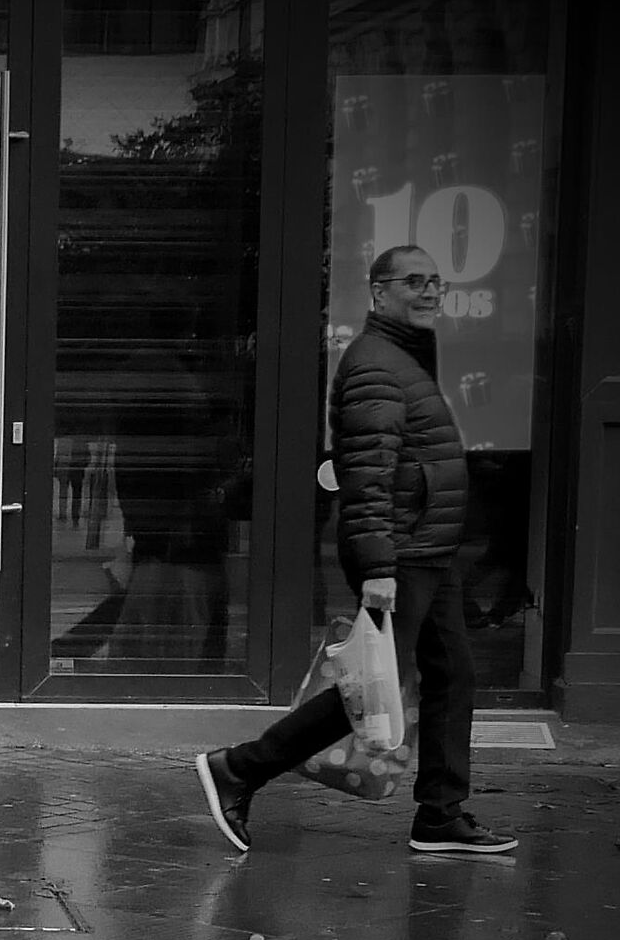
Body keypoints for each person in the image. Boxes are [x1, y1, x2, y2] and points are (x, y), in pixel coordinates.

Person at [193, 247, 513, 856]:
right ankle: (239, 767)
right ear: (378, 293)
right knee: (369, 692)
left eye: (436, 281)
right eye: (413, 281)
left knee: (452, 675)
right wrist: (378, 567)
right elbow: (367, 474)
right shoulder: (375, 364)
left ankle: (442, 815)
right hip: (404, 551)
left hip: (430, 546)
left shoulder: (403, 359)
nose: (429, 291)